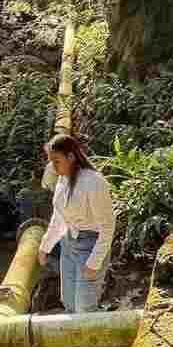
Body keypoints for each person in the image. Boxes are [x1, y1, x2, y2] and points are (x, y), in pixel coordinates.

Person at [38, 134, 116, 316]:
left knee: (84, 310)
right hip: (69, 245)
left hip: (90, 246)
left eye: (56, 161)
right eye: (51, 161)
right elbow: (59, 218)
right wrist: (45, 246)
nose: (53, 167)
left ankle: (95, 342)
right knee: (70, 304)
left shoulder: (94, 182)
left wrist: (95, 261)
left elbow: (108, 226)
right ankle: (80, 344)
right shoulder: (62, 179)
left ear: (71, 157)